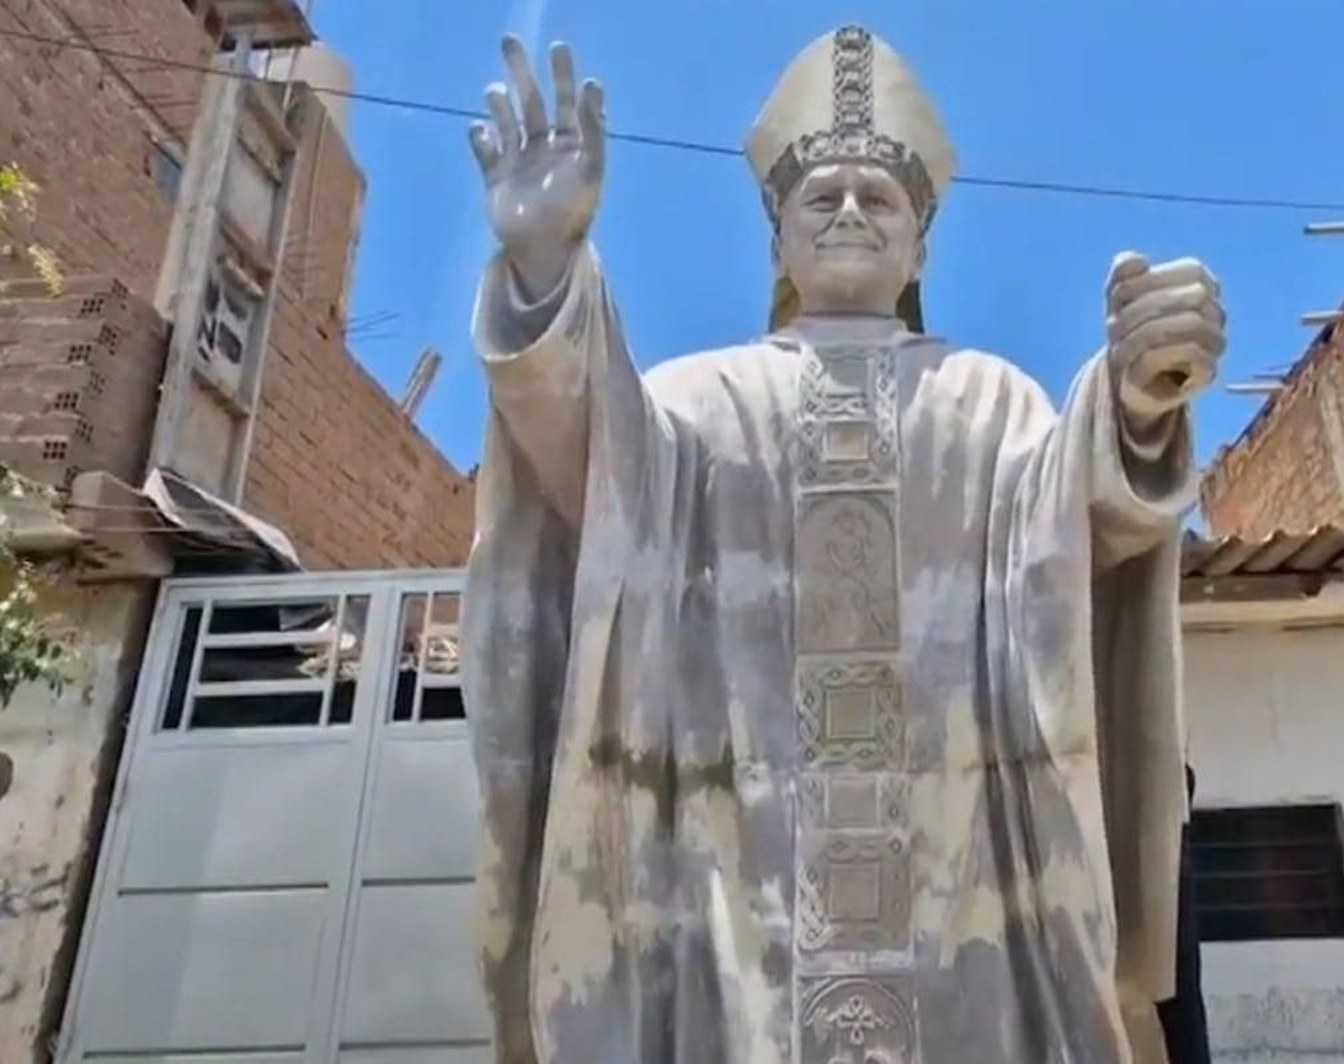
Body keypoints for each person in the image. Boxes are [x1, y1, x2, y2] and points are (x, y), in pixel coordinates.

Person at [461, 26, 1224, 1064]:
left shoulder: (990, 402)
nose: (854, 210)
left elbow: (1077, 529)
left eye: (882, 196)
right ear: (776, 239)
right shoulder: (697, 400)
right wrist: (546, 267)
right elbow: (589, 470)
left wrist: (1132, 399)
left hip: (961, 894)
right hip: (739, 893)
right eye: (822, 197)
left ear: (923, 245)